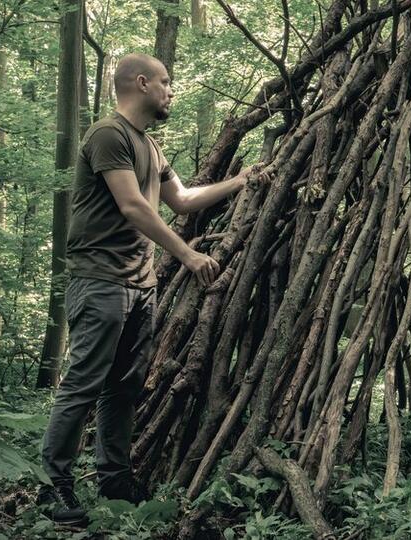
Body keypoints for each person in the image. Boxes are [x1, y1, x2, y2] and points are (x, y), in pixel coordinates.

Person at [37, 53, 265, 526]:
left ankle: (114, 479)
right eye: (166, 82)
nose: (171, 91)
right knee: (83, 385)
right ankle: (53, 487)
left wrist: (239, 181)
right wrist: (186, 254)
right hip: (100, 280)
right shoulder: (108, 135)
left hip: (141, 284)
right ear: (142, 84)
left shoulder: (152, 147)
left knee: (123, 389)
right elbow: (133, 206)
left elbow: (181, 202)